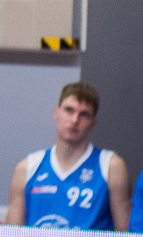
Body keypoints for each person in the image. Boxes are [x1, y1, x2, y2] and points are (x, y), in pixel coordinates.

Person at [8, 82, 128, 230]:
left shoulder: (110, 166)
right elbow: (11, 232)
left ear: (93, 122)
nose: (74, 120)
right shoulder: (27, 168)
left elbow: (125, 232)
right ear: (56, 113)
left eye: (84, 114)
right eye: (69, 110)